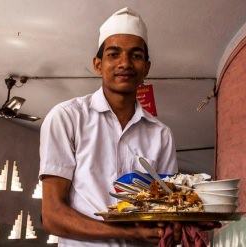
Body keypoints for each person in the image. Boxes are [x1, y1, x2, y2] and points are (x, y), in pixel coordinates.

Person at [39, 7, 179, 246]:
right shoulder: (67, 118)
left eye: (135, 56)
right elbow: (52, 216)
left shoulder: (161, 134)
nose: (124, 63)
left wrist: (181, 225)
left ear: (146, 67)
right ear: (97, 64)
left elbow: (166, 208)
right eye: (113, 54)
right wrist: (129, 233)